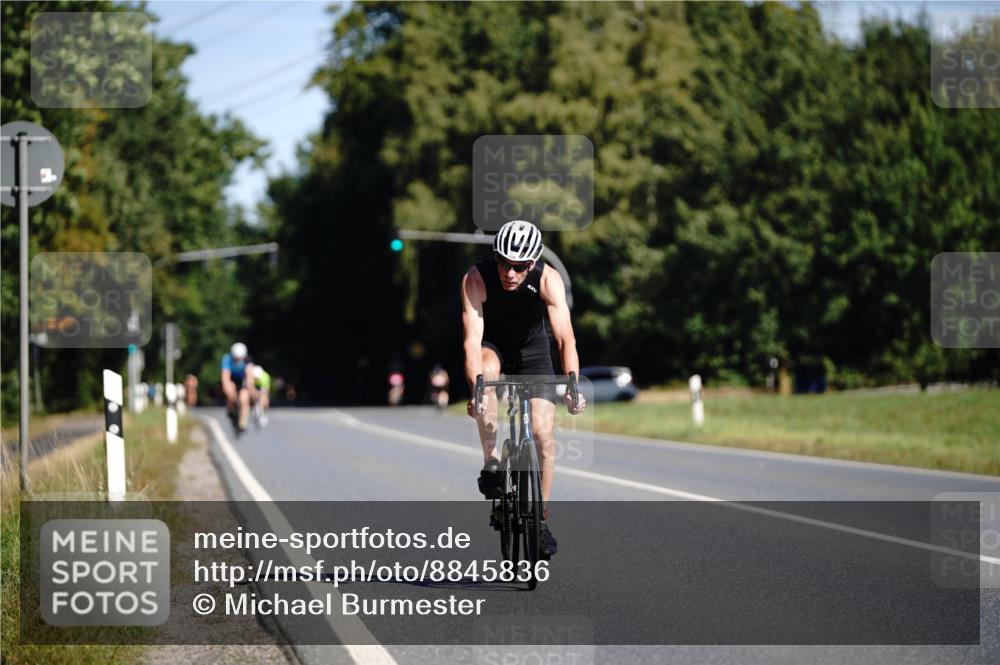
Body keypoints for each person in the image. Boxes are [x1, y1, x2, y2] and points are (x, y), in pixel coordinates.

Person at [460, 219, 586, 558]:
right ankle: (492, 465)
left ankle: (540, 521)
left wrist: (572, 383)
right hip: (495, 349)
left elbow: (564, 337)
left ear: (532, 263)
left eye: (519, 266)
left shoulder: (548, 279)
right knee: (486, 375)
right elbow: (472, 341)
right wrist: (476, 389)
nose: (510, 273)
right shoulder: (476, 279)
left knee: (544, 433)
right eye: (503, 262)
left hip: (534, 355)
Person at [221, 342, 252, 431]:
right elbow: (225, 376)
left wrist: (248, 388)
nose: (238, 360)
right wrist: (227, 388)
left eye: (240, 358)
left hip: (243, 380)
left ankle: (243, 421)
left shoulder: (247, 359)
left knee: (244, 398)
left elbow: (249, 376)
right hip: (232, 379)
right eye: (236, 358)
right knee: (230, 391)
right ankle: (230, 409)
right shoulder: (227, 359)